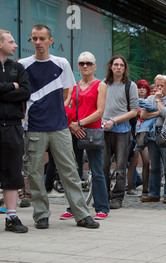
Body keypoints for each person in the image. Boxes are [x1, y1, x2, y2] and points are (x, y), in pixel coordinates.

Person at [19, 24, 99, 229]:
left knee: (70, 171)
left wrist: (56, 113)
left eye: (42, 38)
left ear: (50, 41)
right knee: (36, 173)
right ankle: (41, 215)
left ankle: (81, 214)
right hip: (34, 126)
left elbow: (67, 95)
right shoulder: (23, 64)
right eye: (34, 38)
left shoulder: (61, 63)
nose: (38, 42)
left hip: (59, 127)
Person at [59, 51, 110, 220]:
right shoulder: (73, 86)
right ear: (78, 67)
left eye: (88, 63)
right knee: (74, 171)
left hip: (91, 131)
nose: (85, 66)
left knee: (97, 170)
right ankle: (74, 207)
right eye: (82, 63)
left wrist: (79, 123)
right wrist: (71, 124)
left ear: (94, 66)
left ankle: (102, 207)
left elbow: (100, 110)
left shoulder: (100, 85)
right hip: (74, 131)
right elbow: (66, 106)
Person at [0, 29, 31, 233]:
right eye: (11, 41)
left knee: (13, 169)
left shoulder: (18, 67)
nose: (16, 45)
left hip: (12, 126)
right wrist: (11, 86)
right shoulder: (14, 76)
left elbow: (26, 92)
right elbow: (17, 90)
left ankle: (11, 217)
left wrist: (3, 90)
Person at [102, 55, 139, 209]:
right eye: (115, 64)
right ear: (111, 66)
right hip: (104, 129)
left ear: (124, 68)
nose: (118, 67)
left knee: (120, 167)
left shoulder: (130, 85)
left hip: (122, 130)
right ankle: (104, 196)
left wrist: (115, 120)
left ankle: (117, 197)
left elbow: (134, 111)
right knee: (103, 166)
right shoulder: (103, 84)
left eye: (121, 65)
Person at [140, 74, 166, 204]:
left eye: (162, 85)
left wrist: (159, 101)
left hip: (165, 135)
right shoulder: (149, 98)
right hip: (152, 134)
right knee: (154, 166)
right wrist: (157, 112)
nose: (159, 88)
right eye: (157, 85)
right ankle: (153, 193)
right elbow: (143, 114)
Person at [127, 79, 151, 198]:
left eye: (144, 87)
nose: (141, 89)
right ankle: (130, 187)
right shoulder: (132, 102)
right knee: (133, 161)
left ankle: (145, 189)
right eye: (139, 87)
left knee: (146, 161)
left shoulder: (149, 101)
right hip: (133, 134)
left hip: (144, 134)